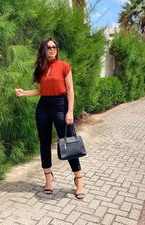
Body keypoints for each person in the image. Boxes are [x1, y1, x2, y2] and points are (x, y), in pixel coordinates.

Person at [15, 38, 84, 199]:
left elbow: (70, 90)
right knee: (44, 144)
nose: (52, 49)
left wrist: (70, 111)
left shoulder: (64, 66)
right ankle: (48, 179)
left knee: (69, 142)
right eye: (49, 47)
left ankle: (79, 179)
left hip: (61, 106)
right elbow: (40, 91)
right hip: (43, 107)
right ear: (43, 50)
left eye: (54, 47)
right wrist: (23, 92)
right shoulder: (41, 68)